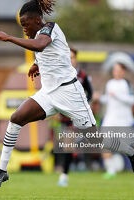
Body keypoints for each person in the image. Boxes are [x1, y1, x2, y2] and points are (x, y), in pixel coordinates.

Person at [0, 0, 134, 188]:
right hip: (48, 94)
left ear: (37, 20)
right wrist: (37, 65)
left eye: (25, 25)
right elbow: (50, 53)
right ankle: (2, 171)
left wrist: (9, 38)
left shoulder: (50, 28)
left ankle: (130, 150)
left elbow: (40, 45)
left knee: (95, 140)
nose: (24, 29)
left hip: (70, 93)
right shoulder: (38, 34)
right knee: (16, 118)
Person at [57, 47, 93, 187]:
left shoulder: (82, 76)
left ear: (76, 59)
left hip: (79, 116)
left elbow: (89, 92)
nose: (70, 59)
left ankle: (64, 175)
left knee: (69, 144)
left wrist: (83, 103)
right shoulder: (60, 75)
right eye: (68, 57)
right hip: (65, 117)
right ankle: (65, 174)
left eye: (72, 57)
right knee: (68, 146)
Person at [99, 63, 134, 179]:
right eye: (114, 69)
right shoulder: (109, 83)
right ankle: (111, 170)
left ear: (123, 71)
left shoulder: (127, 84)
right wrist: (99, 98)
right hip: (110, 118)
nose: (115, 72)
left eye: (118, 70)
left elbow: (133, 100)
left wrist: (117, 95)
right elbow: (107, 98)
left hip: (123, 119)